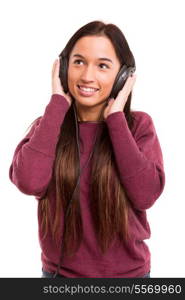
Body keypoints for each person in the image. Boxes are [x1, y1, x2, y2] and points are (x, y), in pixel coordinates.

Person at [9, 21, 165, 278]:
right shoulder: (48, 126)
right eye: (79, 61)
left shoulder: (138, 126)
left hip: (129, 280)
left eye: (102, 65)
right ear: (63, 68)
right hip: (59, 278)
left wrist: (116, 119)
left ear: (123, 77)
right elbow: (28, 182)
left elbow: (145, 195)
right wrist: (57, 106)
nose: (86, 76)